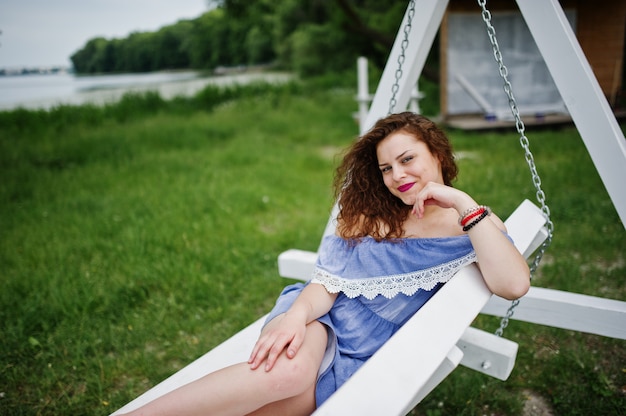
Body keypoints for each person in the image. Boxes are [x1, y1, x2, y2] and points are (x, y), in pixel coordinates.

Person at [121, 112, 530, 416]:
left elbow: (513, 284)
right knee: (288, 375)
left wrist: (460, 202)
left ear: (437, 154)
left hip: (363, 354)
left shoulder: (472, 223)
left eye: (407, 160)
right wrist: (295, 317)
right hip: (323, 319)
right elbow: (327, 285)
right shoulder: (372, 216)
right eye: (386, 168)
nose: (397, 176)